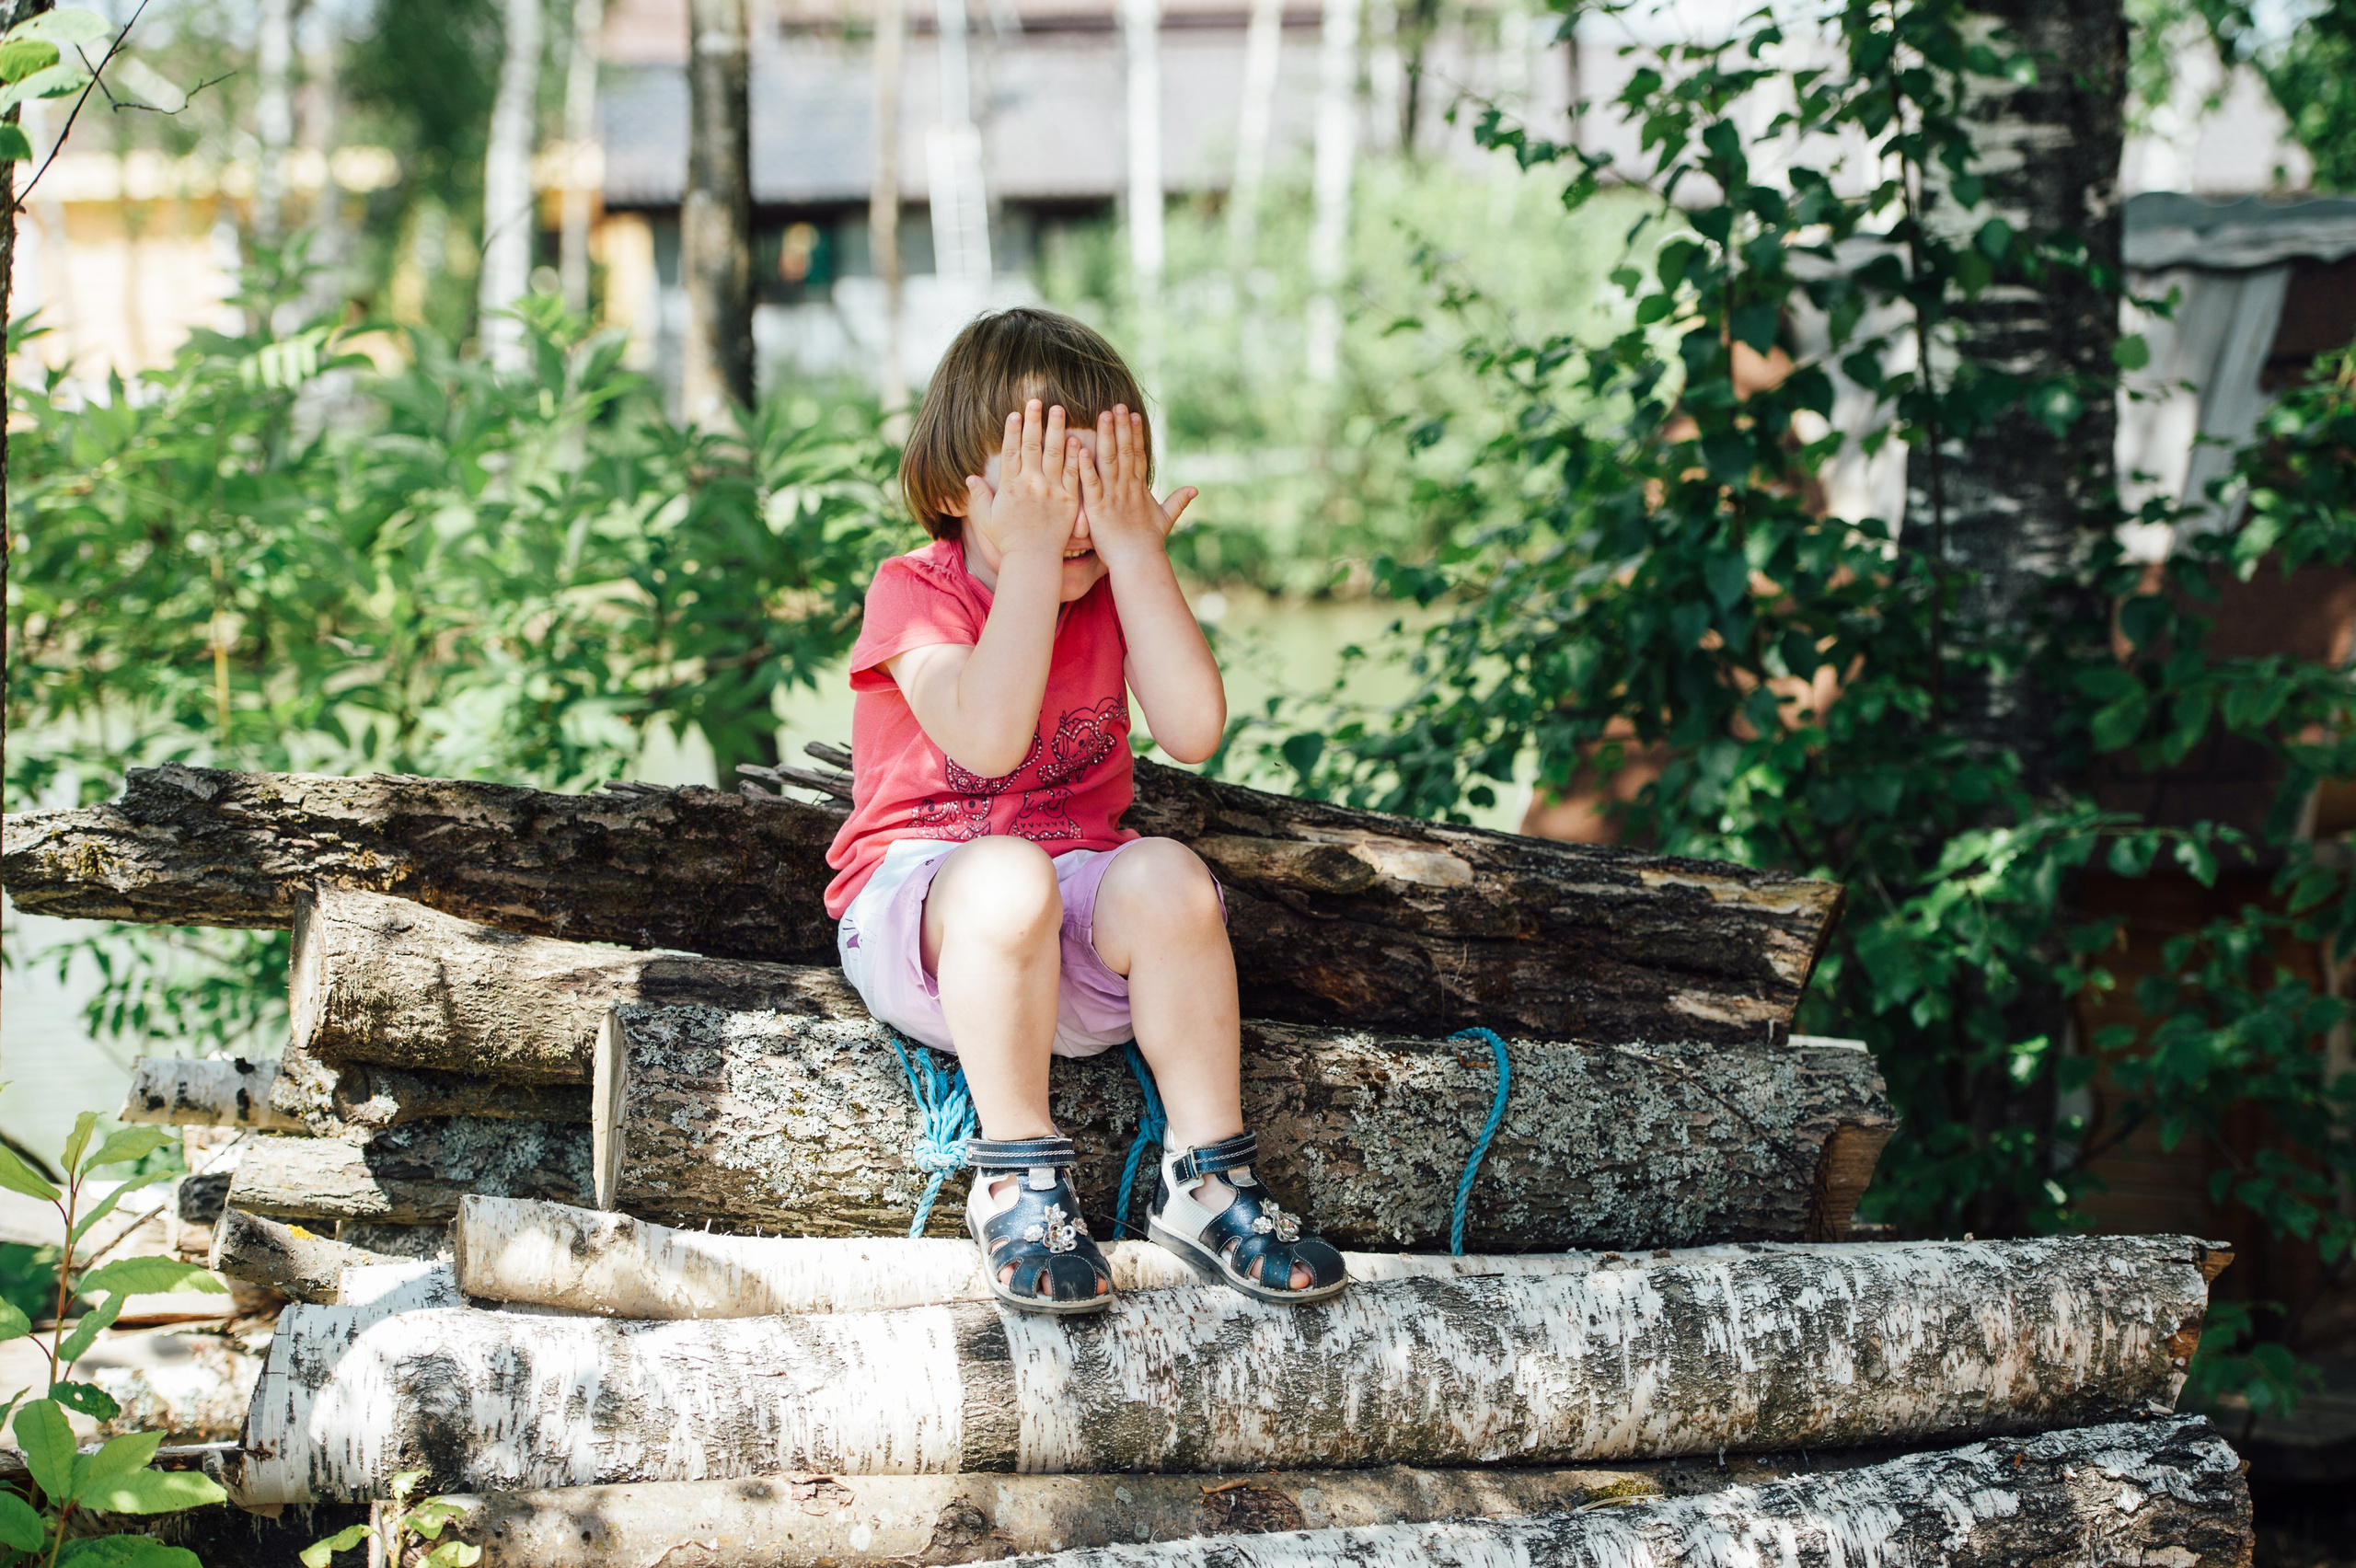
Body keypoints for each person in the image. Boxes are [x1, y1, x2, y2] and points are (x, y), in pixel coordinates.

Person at [825, 308, 1345, 1315]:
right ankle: (1016, 1175)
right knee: (1006, 878)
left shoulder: (1111, 589)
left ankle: (1206, 1180)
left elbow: (1193, 729)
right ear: (953, 491)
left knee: (1170, 875)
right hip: (927, 927)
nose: (1072, 520)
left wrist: (1140, 555)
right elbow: (984, 737)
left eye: (1096, 481)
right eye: (1040, 488)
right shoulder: (914, 595)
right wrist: (1024, 566)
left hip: (1072, 932)